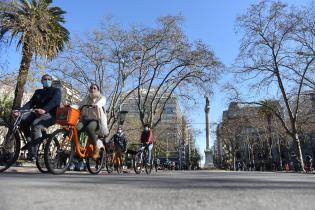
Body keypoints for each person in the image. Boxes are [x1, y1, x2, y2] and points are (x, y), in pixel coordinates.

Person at [12, 74, 61, 161]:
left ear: (51, 81)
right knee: (21, 121)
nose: (47, 80)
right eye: (44, 79)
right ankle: (31, 143)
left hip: (50, 115)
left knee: (36, 125)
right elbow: (30, 103)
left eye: (49, 79)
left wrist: (44, 110)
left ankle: (33, 154)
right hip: (36, 113)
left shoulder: (56, 91)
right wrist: (20, 111)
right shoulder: (38, 92)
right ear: (41, 81)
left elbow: (55, 102)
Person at [78, 84, 108, 159]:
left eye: (94, 88)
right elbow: (79, 104)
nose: (92, 89)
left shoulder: (101, 97)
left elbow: (103, 101)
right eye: (91, 88)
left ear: (98, 90)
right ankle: (76, 147)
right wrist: (70, 106)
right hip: (85, 119)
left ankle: (96, 148)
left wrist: (97, 105)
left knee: (89, 128)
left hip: (96, 120)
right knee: (76, 128)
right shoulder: (86, 98)